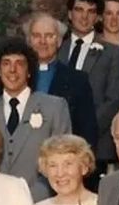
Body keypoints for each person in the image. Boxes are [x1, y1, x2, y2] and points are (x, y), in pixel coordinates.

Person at [0, 37, 73, 201]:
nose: (13, 70)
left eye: (20, 64)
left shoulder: (55, 107)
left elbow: (63, 158)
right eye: (6, 63)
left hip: (40, 203)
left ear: (29, 71)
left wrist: (36, 196)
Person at [58, 0, 119, 169]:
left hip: (94, 144)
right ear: (70, 14)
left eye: (91, 12)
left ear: (98, 17)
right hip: (56, 141)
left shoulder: (113, 53)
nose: (84, 17)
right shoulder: (56, 49)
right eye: (79, 10)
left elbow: (113, 99)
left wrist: (87, 129)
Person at [24, 12, 99, 150]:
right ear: (29, 41)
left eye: (49, 36)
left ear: (59, 41)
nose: (43, 41)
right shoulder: (17, 77)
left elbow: (87, 130)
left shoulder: (78, 80)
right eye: (36, 36)